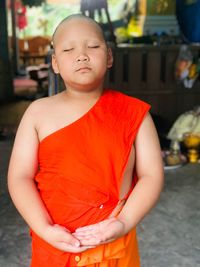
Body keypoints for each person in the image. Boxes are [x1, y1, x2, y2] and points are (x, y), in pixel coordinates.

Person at [8, 14, 164, 267]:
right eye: (69, 49)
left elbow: (152, 175)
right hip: (55, 245)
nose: (82, 55)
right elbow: (19, 177)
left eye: (92, 46)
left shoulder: (134, 113)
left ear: (110, 56)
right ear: (55, 63)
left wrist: (124, 223)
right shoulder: (37, 112)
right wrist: (44, 228)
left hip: (113, 244)